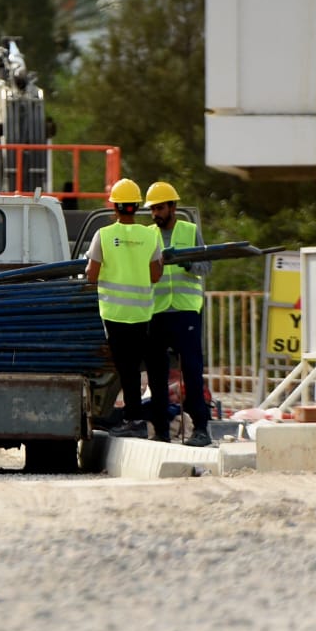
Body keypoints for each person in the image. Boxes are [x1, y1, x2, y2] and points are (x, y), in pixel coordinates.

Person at [85, 179, 170, 441]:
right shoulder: (150, 236)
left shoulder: (103, 235)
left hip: (114, 314)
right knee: (135, 368)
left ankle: (134, 420)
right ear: (136, 206)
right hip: (142, 314)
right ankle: (140, 420)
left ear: (115, 207)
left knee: (126, 370)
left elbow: (91, 275)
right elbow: (155, 275)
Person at [145, 180, 213, 447]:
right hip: (157, 311)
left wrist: (187, 263)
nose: (155, 214)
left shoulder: (190, 230)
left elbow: (206, 267)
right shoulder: (147, 235)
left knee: (193, 371)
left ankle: (201, 428)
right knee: (157, 375)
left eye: (160, 208)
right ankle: (161, 430)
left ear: (173, 207)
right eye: (153, 209)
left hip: (186, 311)